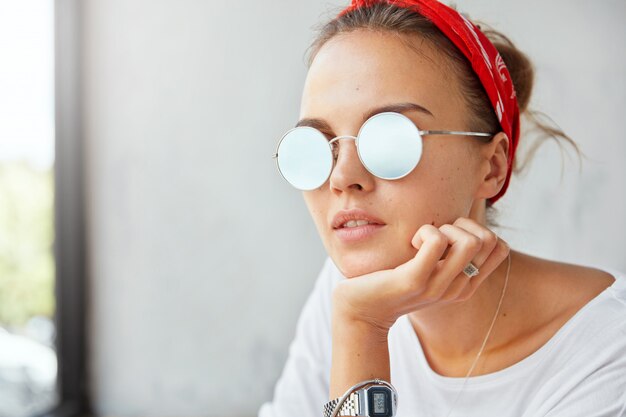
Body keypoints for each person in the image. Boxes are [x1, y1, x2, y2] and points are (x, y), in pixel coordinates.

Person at [260, 1, 626, 416]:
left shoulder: (608, 351)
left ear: (491, 167)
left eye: (390, 140)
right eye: (316, 147)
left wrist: (362, 331)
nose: (342, 177)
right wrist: (359, 325)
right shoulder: (351, 295)